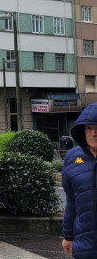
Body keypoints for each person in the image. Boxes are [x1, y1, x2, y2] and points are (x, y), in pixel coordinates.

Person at [62, 102, 97, 257]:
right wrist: (68, 236)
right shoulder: (72, 158)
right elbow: (71, 201)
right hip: (85, 245)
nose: (93, 133)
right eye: (89, 128)